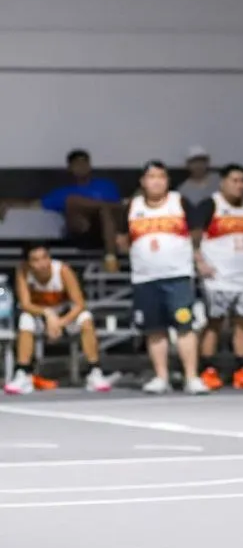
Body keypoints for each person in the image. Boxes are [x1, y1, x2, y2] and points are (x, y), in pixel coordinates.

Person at [116, 161, 208, 395]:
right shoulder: (132, 206)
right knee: (154, 329)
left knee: (185, 326)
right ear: (143, 181)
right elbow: (121, 239)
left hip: (177, 276)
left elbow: (196, 233)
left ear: (167, 180)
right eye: (151, 176)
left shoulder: (180, 202)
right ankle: (161, 377)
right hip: (145, 278)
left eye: (161, 176)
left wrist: (195, 258)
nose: (156, 181)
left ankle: (191, 377)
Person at [3, 243, 112, 394]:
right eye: (36, 260)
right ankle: (23, 373)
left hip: (65, 316)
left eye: (44, 258)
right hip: (41, 316)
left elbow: (80, 304)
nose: (42, 264)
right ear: (28, 263)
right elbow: (25, 304)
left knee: (86, 318)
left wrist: (60, 323)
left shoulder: (62, 270)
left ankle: (94, 372)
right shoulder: (23, 271)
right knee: (25, 320)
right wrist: (47, 314)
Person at [194, 164, 243, 390]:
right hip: (217, 276)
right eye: (234, 180)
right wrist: (200, 262)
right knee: (214, 322)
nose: (239, 185)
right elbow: (194, 235)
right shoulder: (210, 204)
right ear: (222, 182)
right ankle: (208, 370)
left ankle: (242, 370)